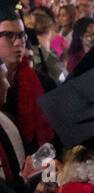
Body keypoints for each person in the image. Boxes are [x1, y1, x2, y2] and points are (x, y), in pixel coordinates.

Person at [1, 2, 55, 153]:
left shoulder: (44, 83)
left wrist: (47, 174)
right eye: (8, 35)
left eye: (21, 35)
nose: (18, 42)